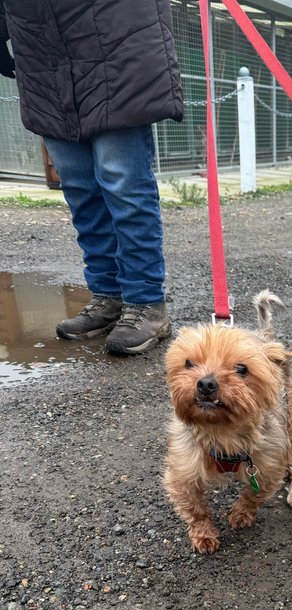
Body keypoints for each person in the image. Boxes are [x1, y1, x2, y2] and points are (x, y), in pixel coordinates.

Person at [0, 0, 183, 355]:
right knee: (80, 190)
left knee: (124, 185)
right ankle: (108, 296)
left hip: (116, 38)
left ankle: (146, 302)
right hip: (43, 54)